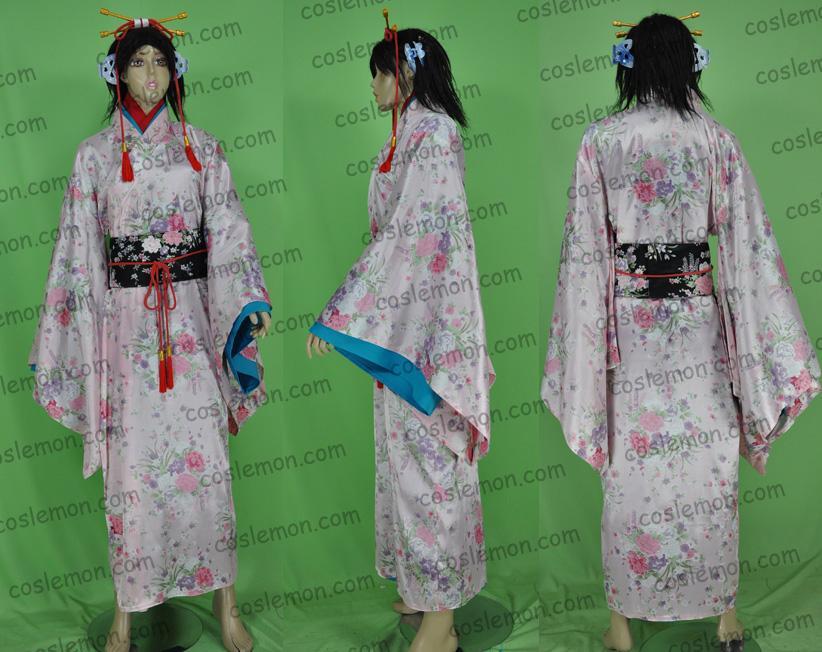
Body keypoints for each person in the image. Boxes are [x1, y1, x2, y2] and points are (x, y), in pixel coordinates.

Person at [540, 12, 820, 652]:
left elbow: (584, 257)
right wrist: (762, 347)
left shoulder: (601, 140)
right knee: (706, 466)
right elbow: (748, 249)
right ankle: (724, 619)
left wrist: (584, 351)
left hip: (630, 326)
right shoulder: (715, 140)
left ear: (630, 62)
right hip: (698, 324)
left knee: (631, 469)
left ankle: (621, 627)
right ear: (690, 62)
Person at [27, 9, 272, 652]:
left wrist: (248, 302)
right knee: (132, 473)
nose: (150, 74)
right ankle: (125, 612)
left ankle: (226, 603)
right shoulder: (94, 157)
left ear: (175, 71)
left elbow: (230, 230)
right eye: (137, 62)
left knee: (207, 463)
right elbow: (77, 253)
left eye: (160, 61)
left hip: (191, 321)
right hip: (125, 332)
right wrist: (65, 337)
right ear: (117, 73)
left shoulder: (202, 149)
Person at [306, 10, 495, 652]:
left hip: (428, 329)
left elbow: (414, 238)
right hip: (403, 321)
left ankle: (441, 620)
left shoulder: (433, 135)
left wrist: (342, 313)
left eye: (379, 74)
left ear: (406, 75)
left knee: (430, 465)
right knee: (405, 463)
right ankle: (423, 590)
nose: (373, 86)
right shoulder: (407, 135)